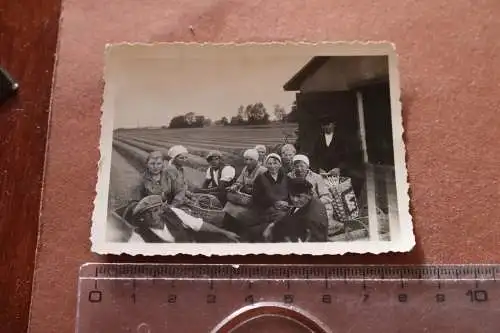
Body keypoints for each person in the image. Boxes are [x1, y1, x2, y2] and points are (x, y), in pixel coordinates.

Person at [127, 195, 240, 243]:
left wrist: (225, 232)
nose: (153, 216)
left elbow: (198, 225)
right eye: (147, 214)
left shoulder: (174, 213)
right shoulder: (138, 237)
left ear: (161, 210)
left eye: (155, 211)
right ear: (141, 218)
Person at [222, 149, 267, 238]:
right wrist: (234, 187)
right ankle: (227, 229)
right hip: (245, 197)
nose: (248, 162)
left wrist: (248, 189)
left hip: (256, 201)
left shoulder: (262, 171)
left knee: (238, 211)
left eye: (251, 160)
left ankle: (237, 231)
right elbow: (239, 182)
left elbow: (263, 189)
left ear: (256, 160)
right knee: (228, 206)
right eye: (246, 159)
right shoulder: (245, 169)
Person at [269, 178, 328, 243]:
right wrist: (273, 225)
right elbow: (292, 213)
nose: (295, 200)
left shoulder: (313, 218)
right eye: (292, 195)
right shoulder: (308, 201)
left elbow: (316, 244)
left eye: (299, 196)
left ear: (309, 194)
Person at [249, 153, 290, 241]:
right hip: (267, 208)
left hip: (285, 207)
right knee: (283, 216)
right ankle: (272, 230)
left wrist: (287, 202)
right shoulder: (260, 178)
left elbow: (291, 194)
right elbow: (256, 198)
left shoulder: (286, 177)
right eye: (269, 163)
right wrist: (273, 203)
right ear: (266, 165)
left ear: (280, 164)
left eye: (275, 163)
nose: (272, 166)